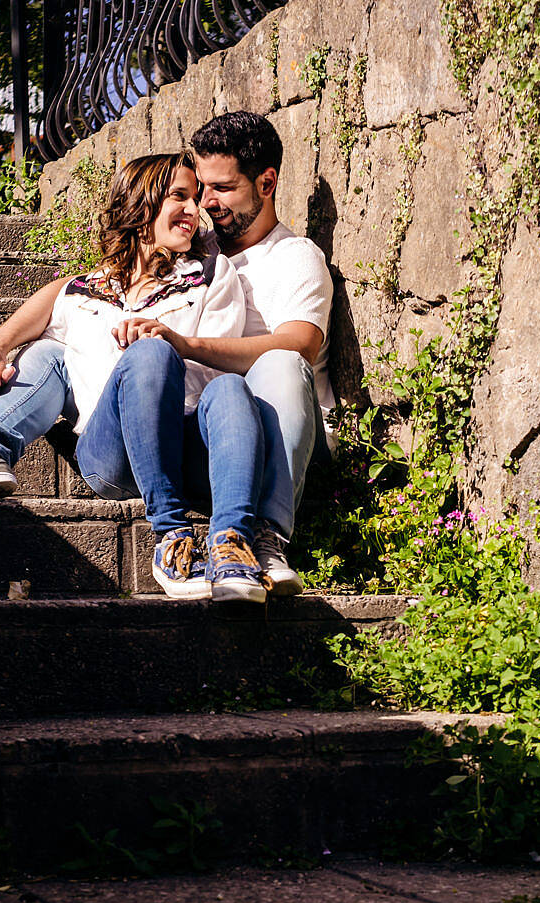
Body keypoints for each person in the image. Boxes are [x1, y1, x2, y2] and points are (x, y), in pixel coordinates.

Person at [0, 152, 270, 603]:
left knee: (222, 383)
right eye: (179, 196)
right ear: (141, 201)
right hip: (111, 456)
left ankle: (231, 547)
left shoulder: (210, 276)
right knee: (49, 352)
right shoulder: (88, 290)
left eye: (195, 199)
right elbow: (52, 300)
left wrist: (164, 347)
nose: (194, 209)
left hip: (185, 445)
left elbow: (211, 372)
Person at [114, 111, 336, 597]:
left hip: (286, 442)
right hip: (212, 438)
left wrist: (187, 345)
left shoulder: (294, 257)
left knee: (279, 362)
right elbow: (96, 283)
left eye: (222, 188)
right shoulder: (195, 250)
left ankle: (266, 537)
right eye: (201, 189)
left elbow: (301, 343)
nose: (206, 203)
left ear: (266, 183)